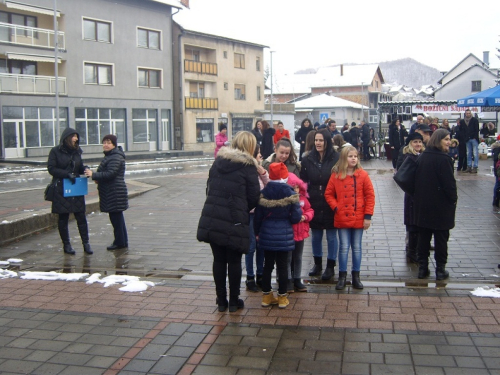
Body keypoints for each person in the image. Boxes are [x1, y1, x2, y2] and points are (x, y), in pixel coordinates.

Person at [197, 131, 261, 312]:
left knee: (218, 260)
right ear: (250, 146)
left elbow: (209, 187)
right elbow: (254, 197)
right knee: (234, 261)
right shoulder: (248, 167)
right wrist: (240, 208)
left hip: (213, 216)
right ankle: (234, 301)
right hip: (235, 219)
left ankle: (221, 301)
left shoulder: (218, 161)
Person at [325, 146, 375, 290]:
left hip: (359, 216)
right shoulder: (336, 175)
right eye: (350, 156)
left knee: (357, 248)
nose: (354, 158)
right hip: (342, 217)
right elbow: (329, 194)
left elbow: (370, 196)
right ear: (344, 158)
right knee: (344, 247)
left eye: (356, 156)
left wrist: (368, 216)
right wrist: (336, 207)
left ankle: (356, 276)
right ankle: (342, 276)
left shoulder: (363, 175)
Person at [255, 163, 302, 309]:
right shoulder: (290, 192)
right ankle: (282, 297)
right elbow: (295, 217)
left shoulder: (264, 192)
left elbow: (257, 217)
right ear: (284, 176)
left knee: (267, 265)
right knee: (283, 266)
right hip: (284, 235)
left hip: (267, 234)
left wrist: (257, 232)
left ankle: (266, 297)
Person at [414, 129, 457, 280]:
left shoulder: (422, 157)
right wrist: (453, 200)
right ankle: (440, 270)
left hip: (423, 205)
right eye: (446, 139)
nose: (449, 142)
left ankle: (422, 269)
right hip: (441, 207)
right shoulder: (444, 159)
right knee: (441, 239)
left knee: (423, 239)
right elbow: (449, 185)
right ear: (438, 140)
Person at [300, 129, 340, 281]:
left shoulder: (336, 158)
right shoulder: (308, 158)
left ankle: (330, 266)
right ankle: (317, 264)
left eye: (321, 140)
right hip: (314, 200)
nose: (318, 143)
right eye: (316, 140)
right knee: (316, 236)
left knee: (331, 236)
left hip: (331, 201)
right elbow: (303, 181)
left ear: (327, 141)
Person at [47, 128, 93, 255]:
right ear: (67, 137)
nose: (76, 139)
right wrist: (67, 174)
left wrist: (85, 170)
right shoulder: (55, 151)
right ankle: (66, 245)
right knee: (63, 218)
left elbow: (80, 165)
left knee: (81, 216)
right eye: (74, 136)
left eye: (77, 137)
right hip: (62, 188)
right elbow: (51, 169)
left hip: (76, 187)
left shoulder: (77, 151)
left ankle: (86, 243)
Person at [84, 135, 128, 250]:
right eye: (104, 142)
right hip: (113, 191)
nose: (106, 145)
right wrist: (99, 178)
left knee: (116, 218)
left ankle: (120, 242)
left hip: (114, 191)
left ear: (114, 144)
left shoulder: (115, 157)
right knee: (117, 218)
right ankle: (122, 241)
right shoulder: (111, 156)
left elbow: (110, 173)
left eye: (109, 142)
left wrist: (93, 174)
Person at [245, 144, 269, 292]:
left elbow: (269, 186)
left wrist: (264, 172)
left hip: (261, 213)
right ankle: (250, 276)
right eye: (258, 153)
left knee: (261, 246)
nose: (260, 156)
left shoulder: (260, 169)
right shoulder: (247, 170)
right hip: (250, 213)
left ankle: (260, 274)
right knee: (251, 246)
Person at [399, 133, 425, 263]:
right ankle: (412, 251)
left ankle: (417, 249)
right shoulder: (409, 157)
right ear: (410, 144)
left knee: (418, 223)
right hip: (412, 195)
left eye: (420, 142)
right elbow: (403, 177)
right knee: (412, 224)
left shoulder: (422, 156)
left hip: (420, 195)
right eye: (415, 142)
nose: (418, 144)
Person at [286, 173, 314, 292]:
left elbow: (310, 210)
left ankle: (297, 278)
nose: (295, 190)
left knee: (298, 257)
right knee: (287, 258)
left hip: (301, 233)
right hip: (289, 233)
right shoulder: (286, 200)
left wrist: (305, 217)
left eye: (297, 187)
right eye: (293, 188)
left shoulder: (303, 199)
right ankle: (287, 280)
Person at [459, 109, 479, 173]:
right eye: (467, 113)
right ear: (465, 114)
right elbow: (461, 130)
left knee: (475, 153)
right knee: (468, 153)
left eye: (469, 113)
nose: (468, 114)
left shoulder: (475, 120)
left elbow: (476, 129)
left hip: (473, 138)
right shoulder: (462, 121)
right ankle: (469, 166)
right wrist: (464, 137)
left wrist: (475, 137)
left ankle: (475, 167)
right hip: (467, 139)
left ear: (471, 113)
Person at [491, 135, 500, 207]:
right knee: (497, 184)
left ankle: (496, 200)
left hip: (497, 170)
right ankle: (496, 200)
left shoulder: (496, 149)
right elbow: (496, 160)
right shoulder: (497, 149)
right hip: (498, 171)